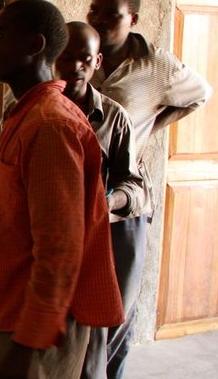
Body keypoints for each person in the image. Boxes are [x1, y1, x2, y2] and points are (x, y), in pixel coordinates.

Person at [0, 0, 123, 378]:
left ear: (34, 46)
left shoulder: (49, 125)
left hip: (41, 326)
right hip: (18, 312)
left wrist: (32, 337)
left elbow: (60, 245)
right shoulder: (23, 113)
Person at [86, 0, 212, 379]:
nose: (100, 20)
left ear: (133, 19)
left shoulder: (156, 66)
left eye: (112, 14)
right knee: (81, 304)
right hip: (77, 199)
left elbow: (200, 94)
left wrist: (149, 127)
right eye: (95, 11)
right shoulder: (82, 54)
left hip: (124, 203)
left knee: (120, 307)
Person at [55, 21, 144, 378]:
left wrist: (107, 203)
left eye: (85, 59)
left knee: (97, 341)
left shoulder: (114, 118)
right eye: (66, 55)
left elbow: (134, 186)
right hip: (51, 241)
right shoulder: (28, 109)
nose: (75, 66)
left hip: (100, 240)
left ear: (97, 62)